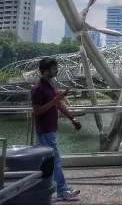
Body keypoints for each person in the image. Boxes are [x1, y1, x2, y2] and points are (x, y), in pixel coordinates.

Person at [31, 58, 82, 201]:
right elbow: (36, 112)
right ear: (46, 70)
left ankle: (50, 189)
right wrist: (54, 100)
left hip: (51, 130)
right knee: (54, 160)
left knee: (50, 161)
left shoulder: (50, 85)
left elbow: (58, 104)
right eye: (54, 69)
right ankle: (62, 190)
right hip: (45, 131)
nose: (56, 71)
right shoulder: (38, 88)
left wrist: (72, 119)